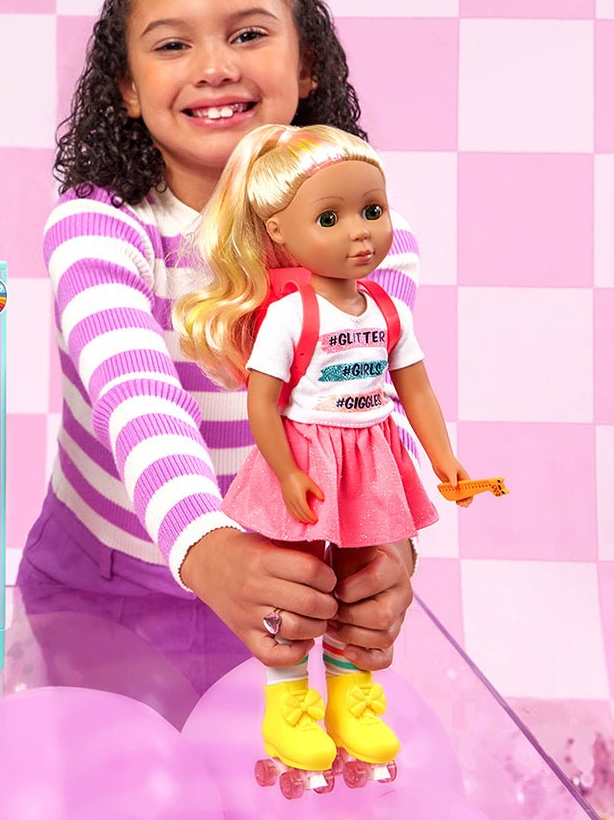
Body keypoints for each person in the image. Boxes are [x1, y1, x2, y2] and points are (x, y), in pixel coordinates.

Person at [16, 0, 421, 705]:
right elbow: (137, 396)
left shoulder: (364, 240)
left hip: (289, 590)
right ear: (128, 89)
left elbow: (373, 406)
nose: (214, 67)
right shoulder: (98, 228)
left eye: (248, 34)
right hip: (105, 591)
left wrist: (387, 545)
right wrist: (206, 545)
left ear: (307, 65)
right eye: (172, 45)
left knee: (274, 763)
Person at [175, 124, 467, 775]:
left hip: (371, 456)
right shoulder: (290, 314)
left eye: (372, 210)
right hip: (309, 455)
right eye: (330, 219)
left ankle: (351, 699)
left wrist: (443, 459)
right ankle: (287, 708)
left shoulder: (386, 310)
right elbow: (262, 401)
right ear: (278, 231)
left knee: (363, 576)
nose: (360, 233)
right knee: (296, 579)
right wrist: (284, 470)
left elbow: (414, 389)